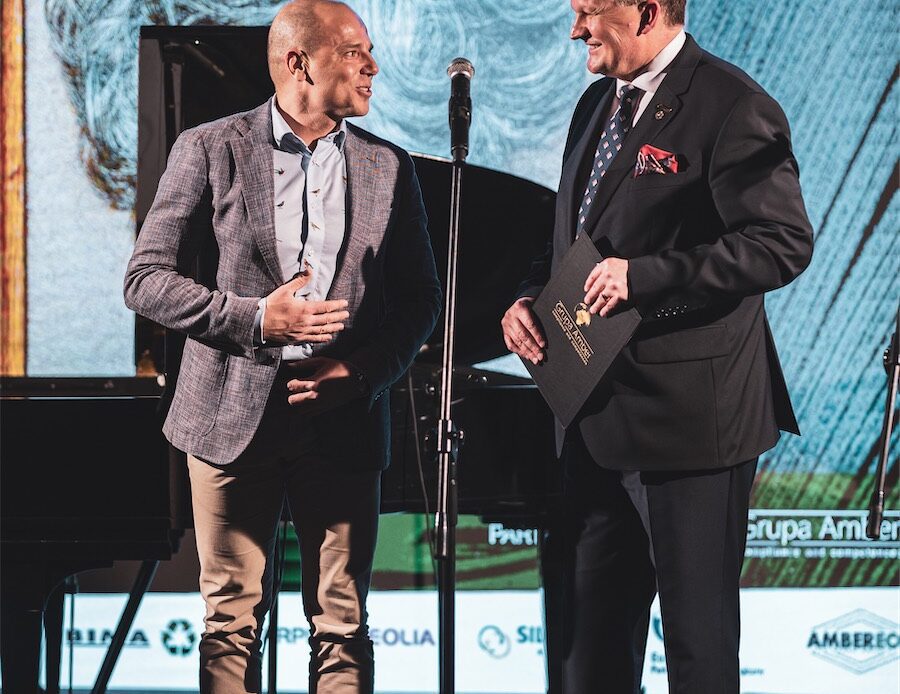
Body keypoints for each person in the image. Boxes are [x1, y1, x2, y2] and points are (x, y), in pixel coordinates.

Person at [124, 1, 441, 691]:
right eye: (355, 51)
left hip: (343, 419)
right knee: (230, 624)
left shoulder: (388, 165)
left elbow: (423, 300)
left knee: (343, 626)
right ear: (300, 63)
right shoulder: (210, 148)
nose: (373, 65)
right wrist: (255, 320)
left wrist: (360, 372)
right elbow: (145, 281)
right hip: (227, 417)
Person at [501, 1, 814, 692]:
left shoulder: (734, 105)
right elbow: (574, 237)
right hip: (591, 420)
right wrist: (528, 297)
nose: (575, 30)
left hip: (691, 430)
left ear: (645, 12)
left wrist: (645, 278)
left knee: (698, 657)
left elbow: (781, 244)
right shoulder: (595, 104)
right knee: (587, 662)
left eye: (588, 12)